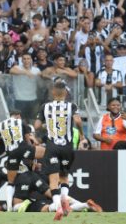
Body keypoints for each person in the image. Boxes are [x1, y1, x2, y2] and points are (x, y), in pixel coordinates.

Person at [34, 79, 84, 220]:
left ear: (53, 92)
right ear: (65, 93)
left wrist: (47, 125)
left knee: (53, 178)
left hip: (52, 146)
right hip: (67, 146)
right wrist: (81, 135)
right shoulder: (72, 106)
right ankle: (64, 202)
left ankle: (58, 206)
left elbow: (37, 125)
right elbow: (79, 121)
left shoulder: (45, 106)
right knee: (64, 177)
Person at [0, 110, 45, 212]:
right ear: (18, 116)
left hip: (11, 153)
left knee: (10, 182)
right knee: (47, 153)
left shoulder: (0, 125)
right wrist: (31, 150)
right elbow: (28, 139)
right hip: (23, 148)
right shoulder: (21, 122)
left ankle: (9, 207)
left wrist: (3, 140)